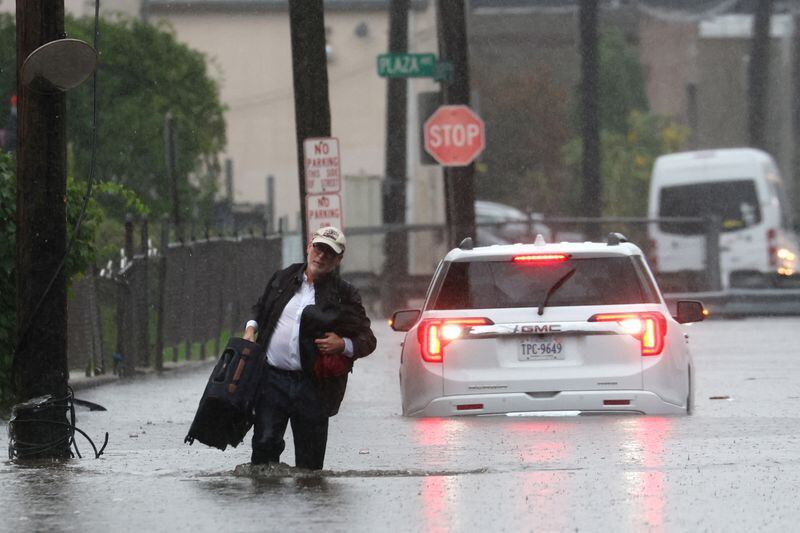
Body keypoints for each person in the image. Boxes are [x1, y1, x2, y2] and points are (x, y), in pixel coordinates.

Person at [244, 226, 376, 470]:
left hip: (314, 387)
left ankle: (311, 505)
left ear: (339, 259)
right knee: (263, 451)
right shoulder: (283, 278)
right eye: (319, 248)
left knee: (310, 466)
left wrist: (343, 345)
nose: (322, 256)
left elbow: (368, 339)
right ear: (309, 247)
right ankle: (264, 505)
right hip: (272, 380)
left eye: (330, 252)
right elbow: (259, 308)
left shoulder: (344, 294)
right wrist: (251, 328)